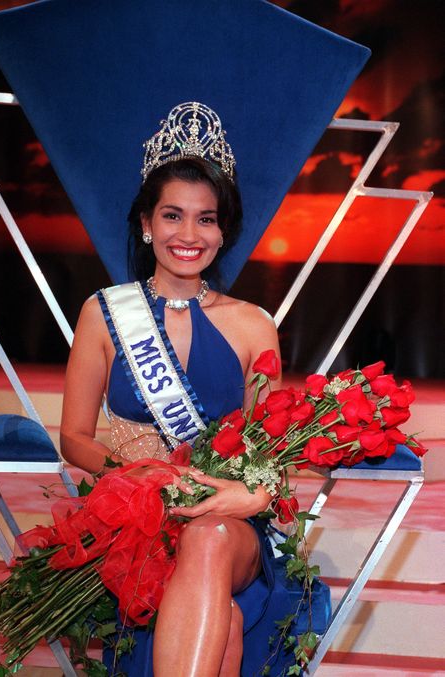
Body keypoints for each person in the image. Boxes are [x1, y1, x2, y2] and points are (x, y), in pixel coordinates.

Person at [60, 102, 285, 677]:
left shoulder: (254, 325)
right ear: (145, 224)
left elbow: (272, 451)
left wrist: (253, 496)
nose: (189, 235)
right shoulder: (104, 313)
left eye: (206, 219)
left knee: (208, 536)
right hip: (136, 513)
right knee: (225, 627)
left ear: (223, 230)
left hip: (227, 521)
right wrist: (145, 478)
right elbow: (75, 437)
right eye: (172, 216)